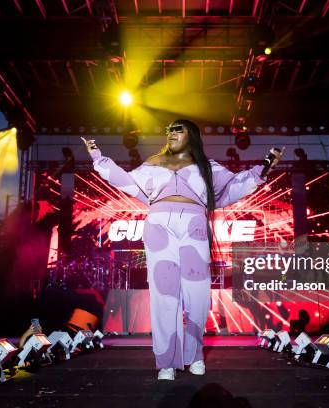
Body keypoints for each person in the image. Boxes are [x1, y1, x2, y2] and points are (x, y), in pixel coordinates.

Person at [82, 119, 282, 380]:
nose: (171, 133)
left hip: (193, 226)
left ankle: (194, 354)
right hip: (158, 227)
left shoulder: (207, 167)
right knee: (165, 297)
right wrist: (98, 157)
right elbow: (126, 182)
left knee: (197, 295)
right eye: (169, 129)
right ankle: (167, 363)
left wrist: (264, 167)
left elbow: (233, 186)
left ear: (193, 136)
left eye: (179, 129)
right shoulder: (153, 161)